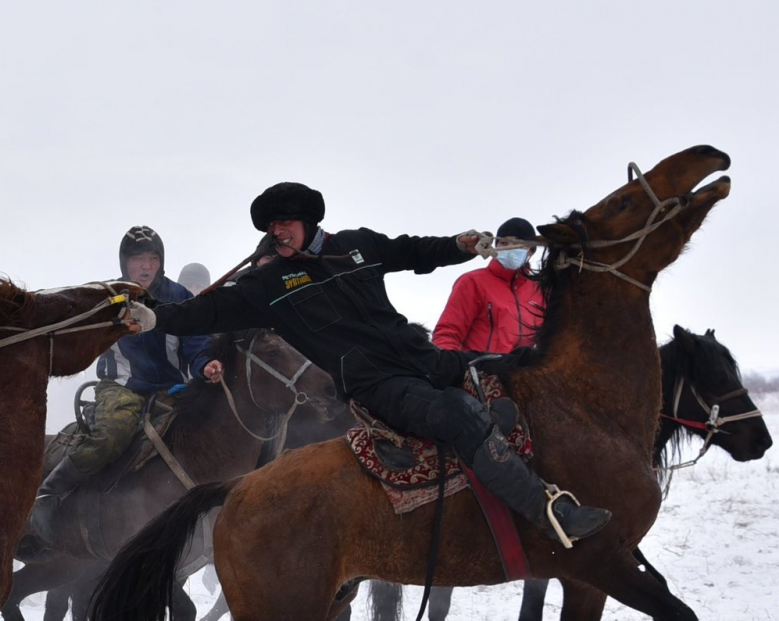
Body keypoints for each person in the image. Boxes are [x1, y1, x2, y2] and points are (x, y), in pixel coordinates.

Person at [124, 182, 610, 543]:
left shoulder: (356, 245)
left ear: (307, 223)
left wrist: (459, 247)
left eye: (285, 223)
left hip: (421, 357)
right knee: (460, 414)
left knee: (513, 368)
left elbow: (410, 250)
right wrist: (154, 316)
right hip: (376, 385)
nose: (278, 232)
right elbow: (203, 311)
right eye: (271, 228)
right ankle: (548, 515)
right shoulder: (269, 287)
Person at [26, 226, 213, 547]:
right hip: (120, 388)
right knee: (112, 433)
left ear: (161, 262)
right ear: (124, 263)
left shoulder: (180, 298)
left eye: (152, 259)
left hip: (172, 391)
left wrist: (204, 365)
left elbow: (196, 343)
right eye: (137, 259)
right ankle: (50, 492)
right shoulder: (107, 298)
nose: (145, 266)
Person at [432, 217, 544, 353]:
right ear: (496, 247)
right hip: (478, 371)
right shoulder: (473, 282)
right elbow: (447, 334)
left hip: (521, 372)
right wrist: (450, 368)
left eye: (518, 243)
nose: (509, 247)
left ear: (530, 251)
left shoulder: (540, 292)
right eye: (503, 242)